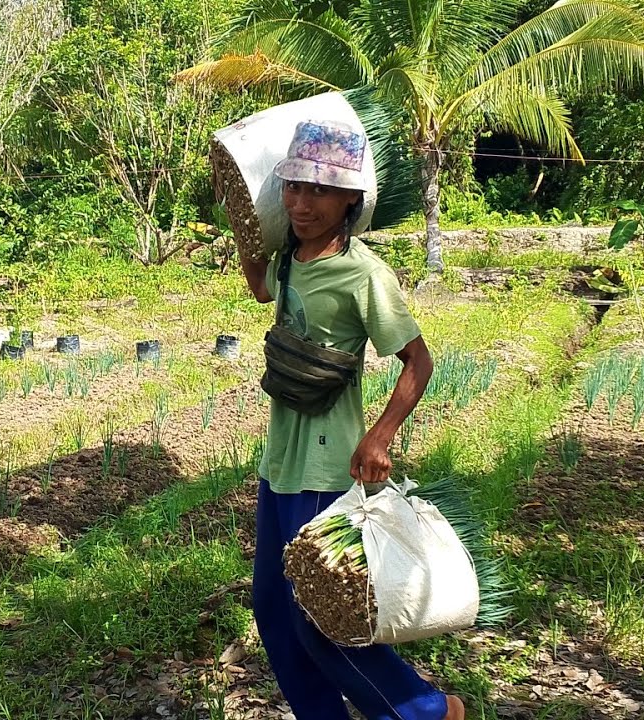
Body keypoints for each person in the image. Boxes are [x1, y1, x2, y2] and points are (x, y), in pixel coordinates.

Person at [239, 119, 464, 720]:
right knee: (274, 611)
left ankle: (429, 711)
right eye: (293, 187)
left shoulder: (364, 274)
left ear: (349, 200)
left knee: (323, 619)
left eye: (319, 190)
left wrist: (380, 436)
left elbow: (418, 359)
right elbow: (262, 288)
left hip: (326, 465)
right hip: (280, 462)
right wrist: (244, 223)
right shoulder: (290, 259)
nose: (301, 203)